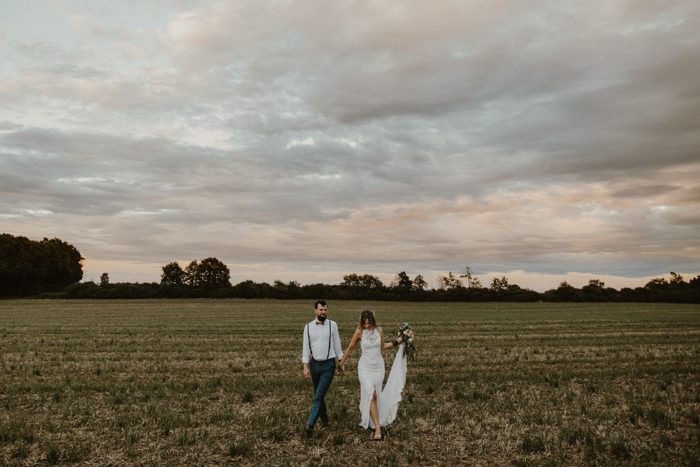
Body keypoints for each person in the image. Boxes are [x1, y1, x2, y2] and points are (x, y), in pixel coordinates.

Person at [338, 309, 406, 441]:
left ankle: (372, 421)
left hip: (378, 368)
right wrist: (341, 362)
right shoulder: (359, 332)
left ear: (372, 322)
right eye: (365, 323)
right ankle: (377, 429)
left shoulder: (379, 331)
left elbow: (383, 347)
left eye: (368, 323)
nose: (367, 326)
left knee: (375, 395)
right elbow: (351, 347)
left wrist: (398, 341)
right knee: (371, 394)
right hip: (364, 368)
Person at [301, 299, 343, 438]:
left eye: (325, 310)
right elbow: (306, 348)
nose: (323, 312)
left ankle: (310, 424)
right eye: (321, 310)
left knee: (318, 396)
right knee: (319, 394)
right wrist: (305, 366)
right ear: (315, 310)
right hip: (314, 365)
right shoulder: (308, 327)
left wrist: (341, 360)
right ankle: (325, 421)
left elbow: (337, 344)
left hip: (328, 365)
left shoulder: (333, 325)